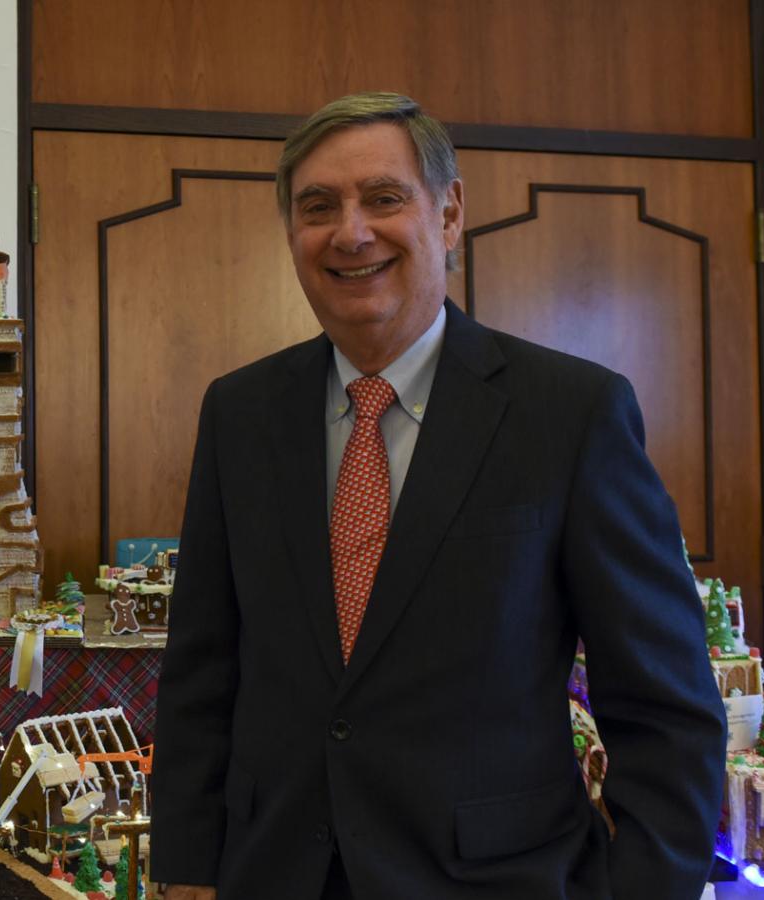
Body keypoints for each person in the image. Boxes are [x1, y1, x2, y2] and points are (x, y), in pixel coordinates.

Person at [150, 92, 726, 899]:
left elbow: (666, 708)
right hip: (272, 872)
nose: (350, 233)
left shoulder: (570, 414)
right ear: (291, 235)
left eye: (384, 198)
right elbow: (201, 675)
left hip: (500, 879)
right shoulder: (239, 413)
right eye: (318, 206)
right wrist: (186, 869)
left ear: (449, 214)